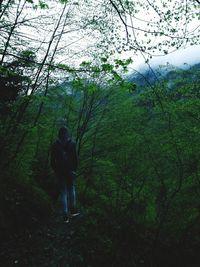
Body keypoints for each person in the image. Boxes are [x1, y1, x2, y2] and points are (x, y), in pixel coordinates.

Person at [51, 126, 79, 223]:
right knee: (71, 189)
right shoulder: (72, 144)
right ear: (67, 133)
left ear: (59, 134)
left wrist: (55, 170)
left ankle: (65, 215)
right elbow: (75, 159)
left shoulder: (55, 145)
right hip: (70, 171)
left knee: (63, 193)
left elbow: (52, 161)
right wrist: (74, 170)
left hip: (59, 172)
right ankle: (73, 210)